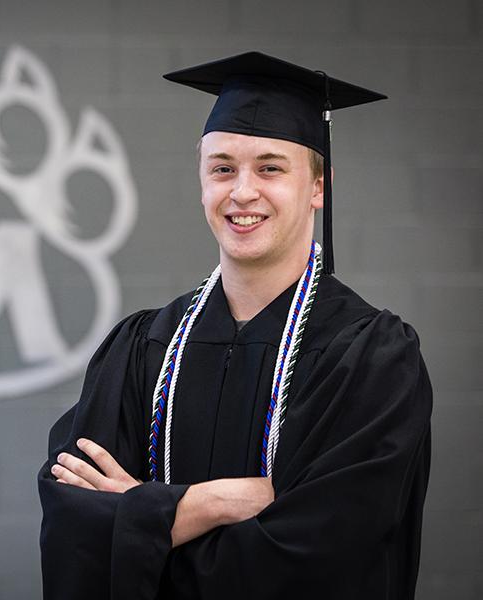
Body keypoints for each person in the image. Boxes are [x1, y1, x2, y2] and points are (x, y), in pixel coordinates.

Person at [37, 51, 433, 600]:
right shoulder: (143, 348)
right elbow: (74, 527)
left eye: (270, 167)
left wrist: (140, 523)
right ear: (201, 182)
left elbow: (329, 556)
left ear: (319, 187)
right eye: (222, 168)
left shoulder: (370, 358)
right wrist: (213, 503)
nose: (242, 192)